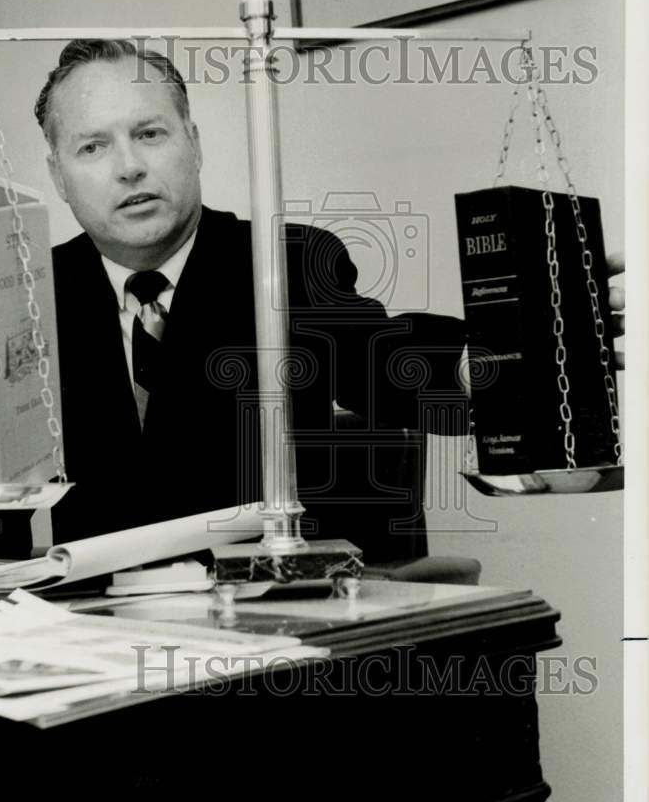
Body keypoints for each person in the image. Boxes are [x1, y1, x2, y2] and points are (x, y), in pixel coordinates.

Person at [36, 39, 471, 555]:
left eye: (149, 133)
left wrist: (495, 358)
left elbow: (387, 362)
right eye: (93, 147)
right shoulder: (32, 290)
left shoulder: (284, 266)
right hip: (88, 620)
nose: (129, 167)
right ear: (59, 175)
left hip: (261, 604)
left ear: (193, 144)